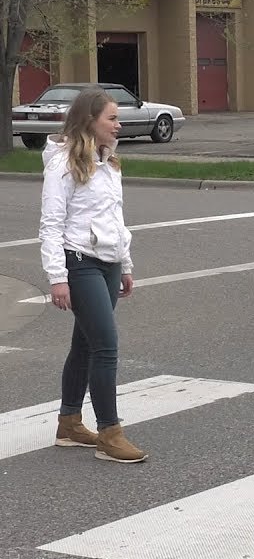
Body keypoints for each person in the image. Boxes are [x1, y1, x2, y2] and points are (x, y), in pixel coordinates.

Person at [38, 86, 147, 463]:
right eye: (112, 119)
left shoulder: (109, 162)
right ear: (90, 121)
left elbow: (115, 219)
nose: (119, 125)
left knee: (85, 345)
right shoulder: (63, 165)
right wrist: (57, 277)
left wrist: (126, 265)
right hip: (79, 261)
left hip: (108, 260)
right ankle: (109, 433)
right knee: (106, 346)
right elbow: (51, 225)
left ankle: (68, 423)